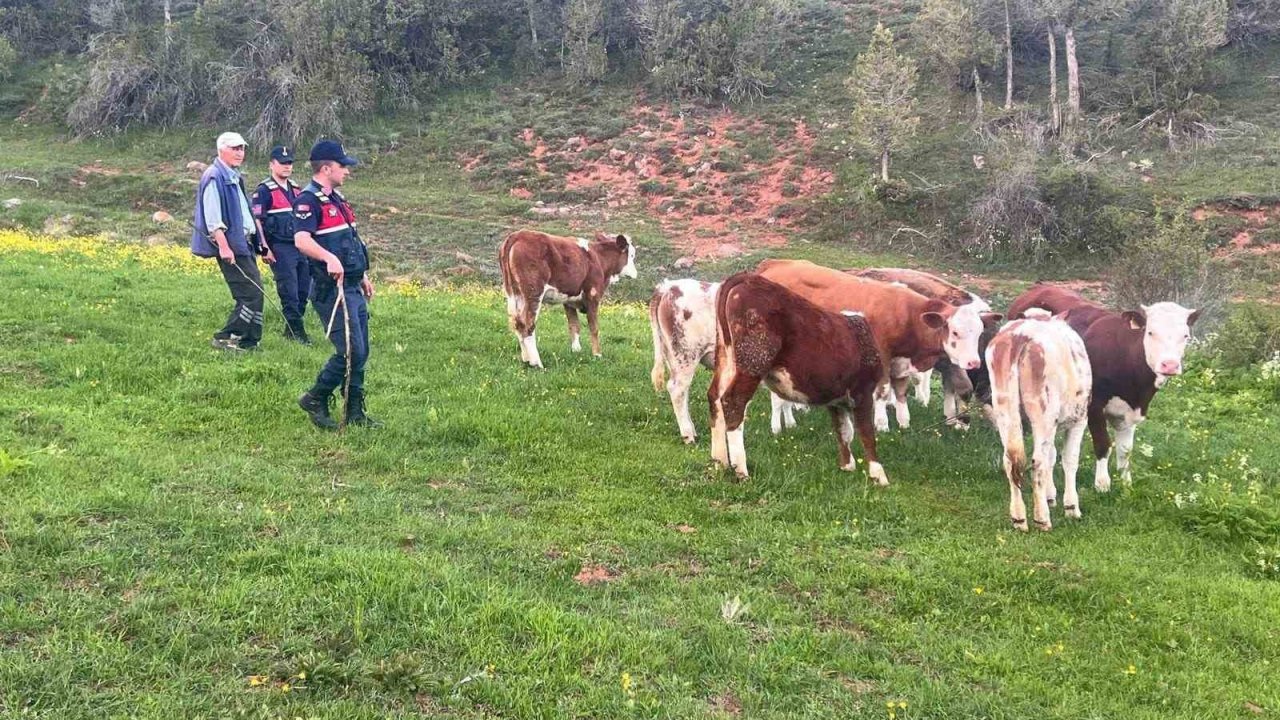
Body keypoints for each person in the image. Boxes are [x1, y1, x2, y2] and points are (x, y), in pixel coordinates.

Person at [292, 139, 380, 430]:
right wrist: (328, 258)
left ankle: (354, 411)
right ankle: (315, 397)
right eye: (343, 166)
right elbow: (302, 240)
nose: (347, 171)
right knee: (349, 350)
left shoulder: (337, 199)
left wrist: (362, 274)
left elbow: (349, 242)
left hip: (352, 285)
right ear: (326, 168)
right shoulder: (307, 201)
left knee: (362, 350)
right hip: (331, 290)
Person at [190, 131, 265, 351]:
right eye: (235, 148)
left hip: (244, 244)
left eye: (242, 148)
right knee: (249, 293)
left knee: (255, 291)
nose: (240, 153)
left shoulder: (233, 175)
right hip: (232, 245)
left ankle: (250, 341)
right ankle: (226, 337)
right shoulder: (214, 176)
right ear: (221, 150)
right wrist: (224, 247)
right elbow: (214, 220)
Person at [252, 145, 311, 344]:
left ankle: (290, 329)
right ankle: (297, 332)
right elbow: (257, 220)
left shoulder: (296, 188)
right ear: (272, 164)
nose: (287, 167)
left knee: (304, 290)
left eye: (289, 163)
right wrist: (263, 247)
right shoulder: (264, 190)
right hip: (280, 246)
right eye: (282, 163)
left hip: (299, 245)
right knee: (289, 291)